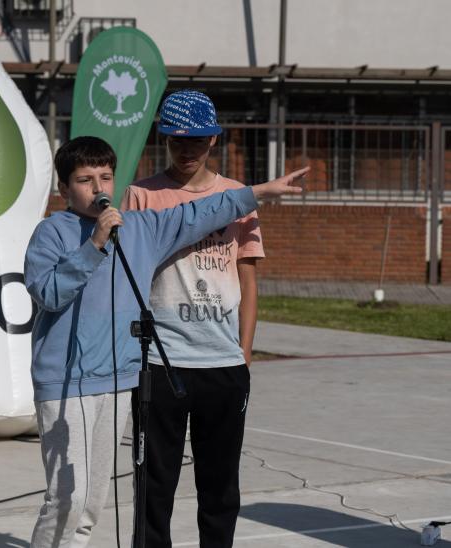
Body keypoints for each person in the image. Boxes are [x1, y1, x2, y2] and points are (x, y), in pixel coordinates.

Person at [23, 136, 307, 547]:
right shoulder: (51, 232)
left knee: (92, 504)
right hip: (68, 384)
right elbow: (48, 292)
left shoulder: (141, 229)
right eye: (85, 180)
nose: (98, 188)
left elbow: (199, 212)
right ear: (64, 189)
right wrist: (95, 245)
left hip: (119, 380)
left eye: (105, 177)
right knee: (69, 495)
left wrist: (258, 193)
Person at [120, 89, 264, 548]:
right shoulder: (141, 196)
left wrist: (243, 354)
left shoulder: (237, 198)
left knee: (220, 489)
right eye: (177, 140)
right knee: (154, 487)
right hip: (162, 363)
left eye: (197, 141)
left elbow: (249, 280)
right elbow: (128, 274)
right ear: (163, 138)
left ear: (214, 140)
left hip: (222, 365)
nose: (187, 150)